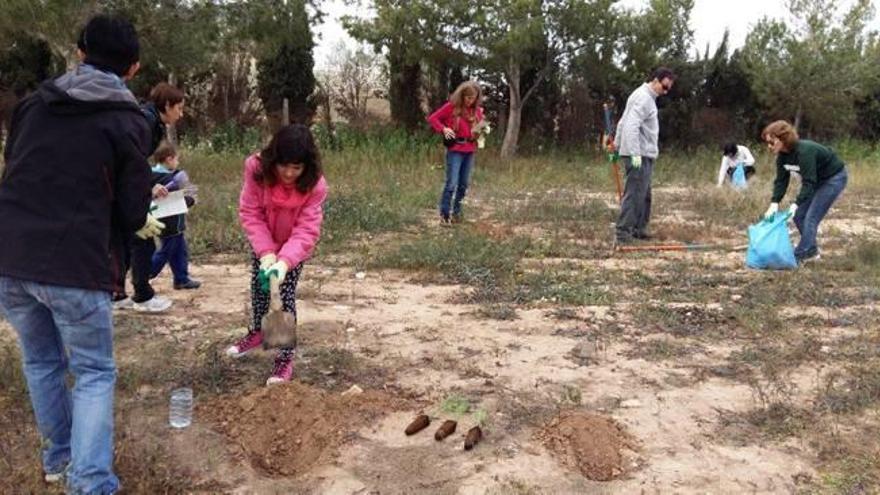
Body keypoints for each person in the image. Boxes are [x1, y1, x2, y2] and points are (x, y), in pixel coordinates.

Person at [0, 14, 160, 493]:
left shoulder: (32, 105)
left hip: (8, 255)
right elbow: (133, 209)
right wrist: (142, 217)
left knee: (42, 362)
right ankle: (89, 482)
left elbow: (17, 169)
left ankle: (59, 460)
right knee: (93, 371)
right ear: (133, 69)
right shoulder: (126, 118)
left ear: (79, 53)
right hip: (73, 265)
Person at [225, 125, 328, 385]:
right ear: (274, 160)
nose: (290, 173)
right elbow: (250, 211)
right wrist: (267, 253)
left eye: (297, 167)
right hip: (265, 244)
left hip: (293, 250)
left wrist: (284, 262)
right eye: (284, 166)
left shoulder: (314, 185)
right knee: (259, 288)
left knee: (282, 296)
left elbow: (307, 229)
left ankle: (284, 357)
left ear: (307, 166)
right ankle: (258, 332)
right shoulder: (257, 170)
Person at [112, 82, 185, 312]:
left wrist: (149, 186)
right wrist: (145, 190)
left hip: (119, 187)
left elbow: (137, 164)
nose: (180, 114)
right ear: (166, 105)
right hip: (121, 189)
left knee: (123, 243)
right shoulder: (147, 122)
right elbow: (131, 163)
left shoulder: (149, 120)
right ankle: (142, 296)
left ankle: (115, 293)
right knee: (142, 242)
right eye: (179, 108)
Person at [761, 120, 848, 264]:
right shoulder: (782, 156)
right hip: (816, 179)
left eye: (772, 142)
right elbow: (781, 180)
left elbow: (809, 182)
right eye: (767, 143)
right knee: (799, 216)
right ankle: (811, 250)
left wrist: (796, 204)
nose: (769, 146)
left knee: (810, 218)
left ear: (783, 138)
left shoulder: (804, 152)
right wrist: (774, 203)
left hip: (833, 178)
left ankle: (801, 255)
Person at [613, 67, 676, 244]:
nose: (666, 91)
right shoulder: (644, 98)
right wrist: (634, 154)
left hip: (642, 153)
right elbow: (631, 125)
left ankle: (638, 229)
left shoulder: (642, 96)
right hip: (639, 154)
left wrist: (617, 146)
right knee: (634, 193)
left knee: (644, 194)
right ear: (656, 80)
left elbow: (622, 122)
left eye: (668, 89)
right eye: (664, 87)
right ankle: (623, 232)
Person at [427, 81, 487, 225]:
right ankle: (444, 214)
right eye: (467, 97)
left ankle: (457, 213)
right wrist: (443, 129)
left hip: (470, 149)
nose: (470, 101)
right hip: (455, 150)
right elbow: (432, 118)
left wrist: (482, 130)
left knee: (463, 184)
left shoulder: (477, 111)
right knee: (451, 183)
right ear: (462, 96)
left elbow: (481, 129)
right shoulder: (451, 107)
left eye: (473, 98)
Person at [149, 142, 201, 289]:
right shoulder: (171, 179)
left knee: (179, 249)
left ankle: (181, 278)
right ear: (169, 159)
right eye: (176, 159)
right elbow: (176, 199)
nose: (178, 162)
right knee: (167, 251)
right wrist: (191, 200)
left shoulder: (151, 176)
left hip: (159, 220)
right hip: (173, 222)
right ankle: (147, 272)